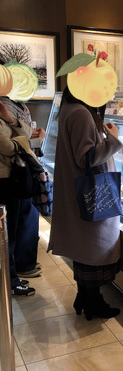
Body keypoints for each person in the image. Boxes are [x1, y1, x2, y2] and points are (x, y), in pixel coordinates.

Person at [48, 87, 123, 320]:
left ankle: (85, 296)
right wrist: (113, 140)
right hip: (91, 193)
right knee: (93, 246)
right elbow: (86, 158)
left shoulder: (70, 108)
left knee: (84, 247)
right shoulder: (81, 113)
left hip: (77, 190)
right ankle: (93, 301)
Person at [0, 96, 45, 279]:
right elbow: (9, 147)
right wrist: (30, 141)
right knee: (10, 228)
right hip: (8, 177)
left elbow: (25, 133)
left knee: (16, 223)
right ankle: (11, 278)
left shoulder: (13, 106)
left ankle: (15, 272)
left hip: (14, 174)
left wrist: (11, 120)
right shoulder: (7, 104)